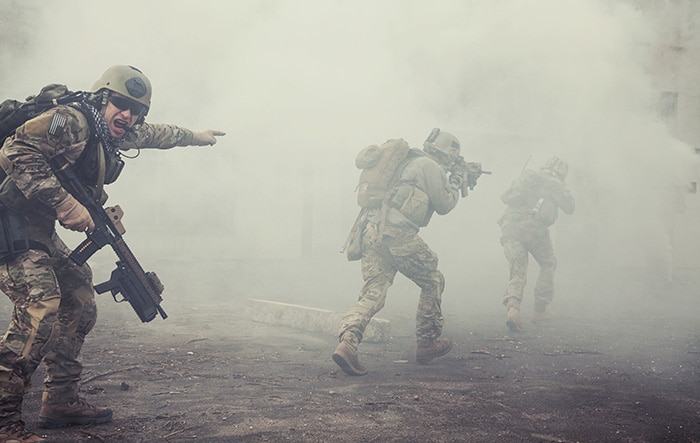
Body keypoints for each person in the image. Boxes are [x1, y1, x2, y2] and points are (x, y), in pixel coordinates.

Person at [0, 65, 225, 442]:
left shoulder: (111, 131)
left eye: (137, 110)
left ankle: (60, 398)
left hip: (35, 224)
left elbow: (156, 134)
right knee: (41, 304)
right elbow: (14, 149)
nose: (129, 115)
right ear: (103, 98)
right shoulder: (71, 121)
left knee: (80, 296)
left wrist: (196, 137)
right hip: (8, 220)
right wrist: (65, 204)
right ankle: (4, 420)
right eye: (121, 104)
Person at [333, 128, 464, 376]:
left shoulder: (406, 161)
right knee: (433, 279)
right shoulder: (430, 166)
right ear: (447, 155)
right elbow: (445, 205)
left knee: (373, 293)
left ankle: (347, 342)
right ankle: (426, 343)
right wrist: (455, 182)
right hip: (397, 235)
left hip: (371, 233)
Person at [498, 156, 575, 332]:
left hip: (509, 227)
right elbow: (570, 208)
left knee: (518, 270)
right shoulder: (554, 182)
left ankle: (513, 309)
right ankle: (540, 310)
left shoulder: (527, 179)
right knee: (548, 263)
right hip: (532, 228)